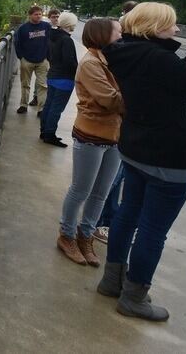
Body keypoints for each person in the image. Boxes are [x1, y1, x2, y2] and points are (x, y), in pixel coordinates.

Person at [97, 3, 186, 321]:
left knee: (126, 217)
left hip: (135, 149)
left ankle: (112, 280)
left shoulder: (127, 52)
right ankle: (134, 297)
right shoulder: (156, 58)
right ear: (154, 28)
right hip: (169, 157)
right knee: (152, 230)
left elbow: (174, 76)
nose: (178, 30)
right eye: (172, 25)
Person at [56, 18, 124, 266]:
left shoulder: (112, 59)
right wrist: (141, 99)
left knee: (101, 193)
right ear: (103, 34)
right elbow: (110, 100)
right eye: (118, 31)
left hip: (115, 135)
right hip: (92, 134)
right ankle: (67, 235)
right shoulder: (91, 63)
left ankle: (86, 236)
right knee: (81, 189)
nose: (122, 34)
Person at [95, 0, 137, 244]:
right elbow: (111, 98)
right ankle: (100, 223)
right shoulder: (121, 52)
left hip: (122, 125)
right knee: (113, 178)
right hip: (117, 126)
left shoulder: (122, 50)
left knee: (116, 177)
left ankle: (104, 221)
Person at [39, 11, 78, 147]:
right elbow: (69, 61)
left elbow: (48, 55)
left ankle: (44, 131)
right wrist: (78, 71)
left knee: (49, 105)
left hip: (53, 74)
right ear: (70, 24)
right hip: (65, 78)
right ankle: (50, 135)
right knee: (57, 108)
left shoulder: (52, 36)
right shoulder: (67, 40)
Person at [14, 6, 51, 115]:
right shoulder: (23, 28)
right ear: (30, 15)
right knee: (25, 84)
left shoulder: (46, 26)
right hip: (27, 60)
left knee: (43, 85)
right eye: (36, 14)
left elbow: (51, 41)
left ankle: (41, 109)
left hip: (42, 60)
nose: (38, 16)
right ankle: (23, 105)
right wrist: (21, 57)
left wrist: (48, 57)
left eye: (40, 14)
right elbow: (17, 43)